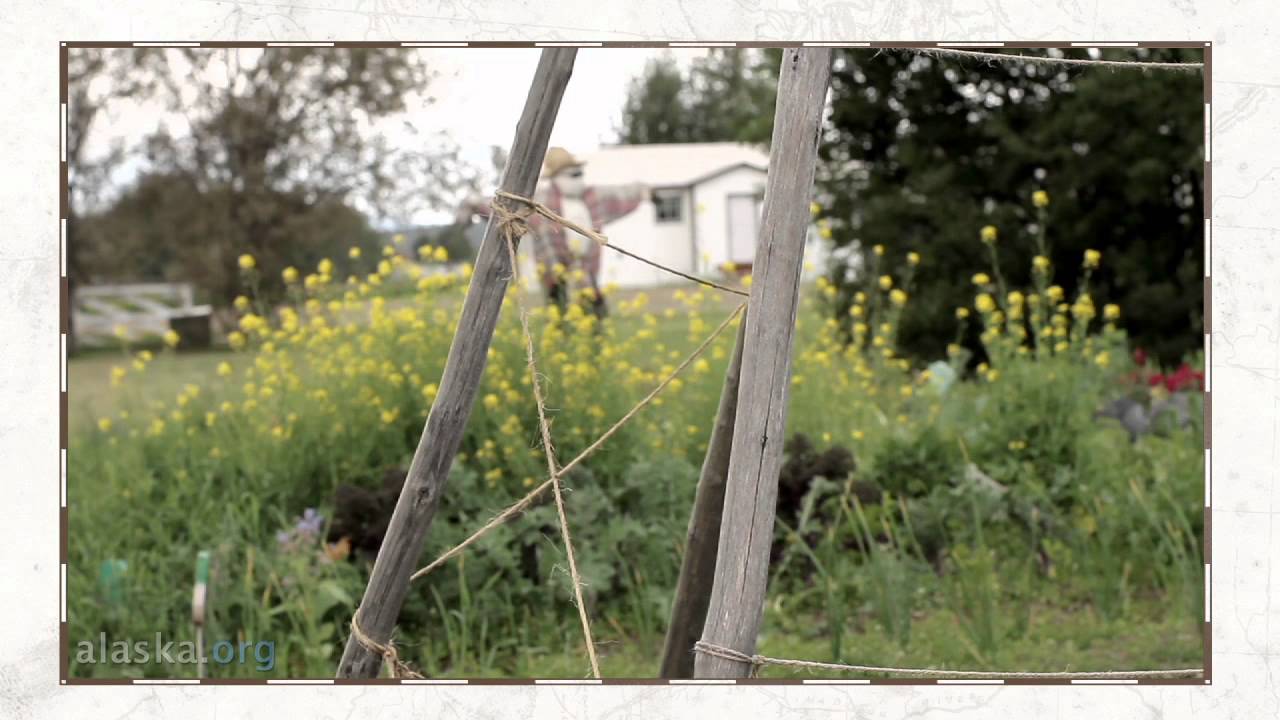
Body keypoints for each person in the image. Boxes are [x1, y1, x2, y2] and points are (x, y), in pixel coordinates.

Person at [457, 147, 647, 319]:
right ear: (556, 177)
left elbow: (623, 194)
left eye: (577, 173)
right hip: (555, 270)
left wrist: (647, 192)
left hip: (587, 269)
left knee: (594, 314)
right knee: (559, 312)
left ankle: (593, 335)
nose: (575, 178)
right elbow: (508, 208)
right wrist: (474, 204)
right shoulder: (542, 202)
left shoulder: (594, 197)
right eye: (569, 174)